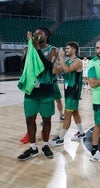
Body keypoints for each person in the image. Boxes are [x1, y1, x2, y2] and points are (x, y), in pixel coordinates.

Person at [17, 27, 56, 160]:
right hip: (31, 91)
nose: (37, 35)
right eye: (35, 33)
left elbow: (48, 66)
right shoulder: (28, 49)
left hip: (46, 90)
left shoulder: (52, 50)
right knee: (29, 120)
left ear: (47, 36)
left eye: (41, 33)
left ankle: (45, 145)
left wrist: (36, 49)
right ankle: (33, 148)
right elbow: (22, 66)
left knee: (46, 120)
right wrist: (30, 49)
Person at [51, 42, 85, 146]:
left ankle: (61, 139)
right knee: (74, 112)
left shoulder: (78, 61)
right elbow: (56, 71)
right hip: (68, 92)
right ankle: (82, 133)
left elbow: (67, 70)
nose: (66, 50)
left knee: (67, 115)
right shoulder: (66, 61)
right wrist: (55, 59)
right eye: (66, 48)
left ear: (74, 50)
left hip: (73, 93)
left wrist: (61, 58)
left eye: (68, 48)